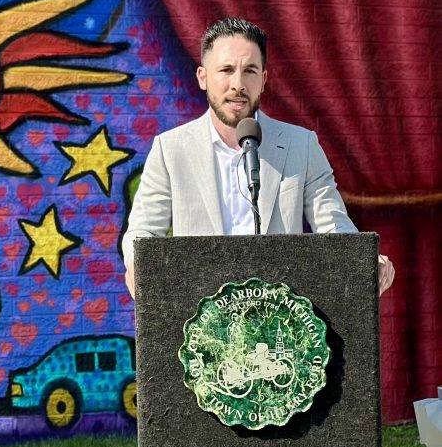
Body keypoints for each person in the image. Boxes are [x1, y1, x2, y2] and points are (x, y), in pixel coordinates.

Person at [122, 17, 394, 296]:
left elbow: (334, 225)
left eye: (250, 71)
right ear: (203, 78)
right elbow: (142, 233)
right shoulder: (171, 150)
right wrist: (139, 265)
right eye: (226, 70)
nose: (238, 84)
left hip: (280, 318)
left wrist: (363, 260)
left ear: (263, 80)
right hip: (199, 318)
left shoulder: (301, 144)